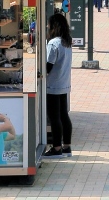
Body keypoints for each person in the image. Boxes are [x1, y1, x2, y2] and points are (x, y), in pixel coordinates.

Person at [44, 13, 73, 158]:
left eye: (49, 25)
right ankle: (67, 146)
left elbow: (48, 65)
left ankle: (56, 148)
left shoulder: (53, 43)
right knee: (64, 115)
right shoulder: (66, 41)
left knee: (54, 117)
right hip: (64, 83)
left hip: (53, 85)